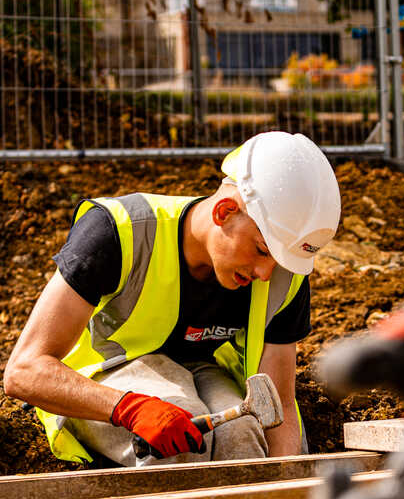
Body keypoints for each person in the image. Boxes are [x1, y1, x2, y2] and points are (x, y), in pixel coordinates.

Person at [4, 131, 341, 467]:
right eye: (261, 250)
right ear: (224, 212)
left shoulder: (284, 275)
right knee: (177, 435)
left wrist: (283, 488)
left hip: (202, 369)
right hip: (105, 377)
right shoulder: (120, 231)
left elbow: (279, 400)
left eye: (279, 261)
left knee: (242, 435)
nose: (266, 274)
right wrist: (128, 408)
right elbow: (24, 370)